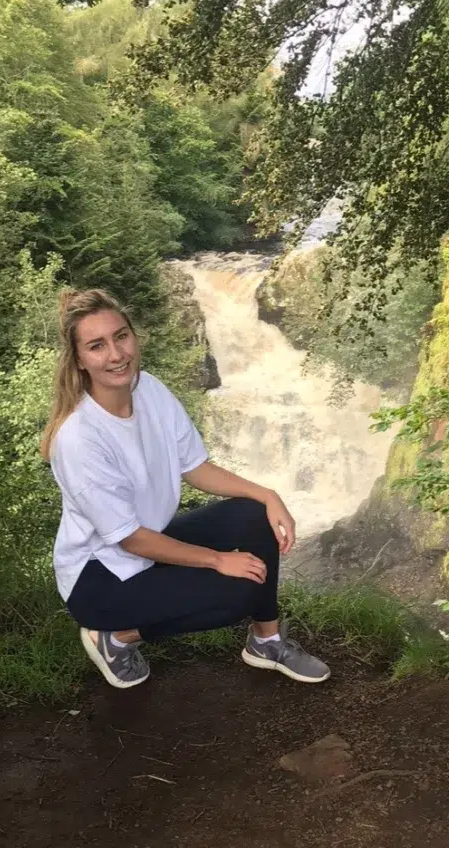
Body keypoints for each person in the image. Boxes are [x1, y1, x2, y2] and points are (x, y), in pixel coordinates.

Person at [41, 287, 331, 690]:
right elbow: (130, 541)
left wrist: (268, 494)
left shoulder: (150, 390)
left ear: (134, 336)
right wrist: (216, 560)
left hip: (148, 542)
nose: (116, 354)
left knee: (253, 515)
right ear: (80, 361)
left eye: (121, 336)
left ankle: (267, 640)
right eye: (97, 345)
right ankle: (115, 637)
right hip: (101, 576)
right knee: (240, 590)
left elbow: (196, 468)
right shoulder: (79, 438)